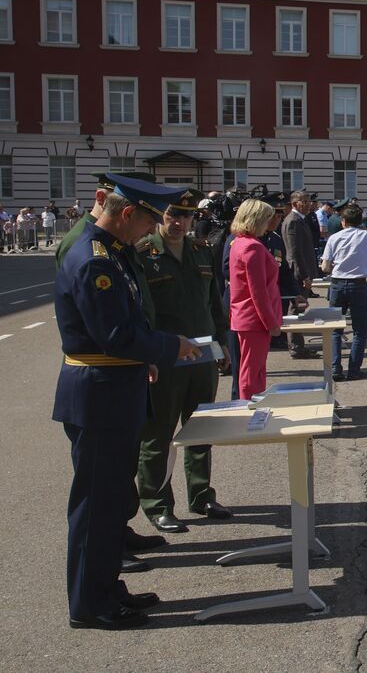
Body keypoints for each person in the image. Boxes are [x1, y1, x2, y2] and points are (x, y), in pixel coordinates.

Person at [52, 174, 201, 630]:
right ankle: (90, 604)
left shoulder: (112, 253)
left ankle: (106, 588)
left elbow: (125, 322)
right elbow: (114, 334)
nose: (147, 233)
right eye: (146, 222)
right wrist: (166, 347)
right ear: (127, 213)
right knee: (97, 506)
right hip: (100, 393)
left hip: (116, 386)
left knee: (112, 500)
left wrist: (143, 359)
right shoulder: (94, 260)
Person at [135, 190, 233, 533]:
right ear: (162, 215)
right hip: (165, 358)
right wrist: (147, 356)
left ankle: (202, 494)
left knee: (201, 429)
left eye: (186, 216)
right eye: (173, 215)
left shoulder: (200, 251)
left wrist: (222, 345)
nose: (179, 223)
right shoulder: (144, 254)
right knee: (158, 435)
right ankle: (158, 504)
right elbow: (140, 312)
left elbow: (213, 304)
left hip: (203, 355)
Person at [228, 199, 284, 400]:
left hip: (247, 317)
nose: (270, 223)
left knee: (253, 370)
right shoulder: (253, 247)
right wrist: (271, 323)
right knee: (252, 373)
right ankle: (249, 412)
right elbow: (258, 292)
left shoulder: (240, 242)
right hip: (255, 320)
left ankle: (253, 409)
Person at [321, 203, 367, 381]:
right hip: (359, 285)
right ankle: (354, 369)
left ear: (343, 221)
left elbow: (325, 267)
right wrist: (364, 265)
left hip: (338, 285)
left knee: (335, 330)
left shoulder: (334, 238)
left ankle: (335, 368)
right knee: (359, 330)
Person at [281, 190, 320, 360]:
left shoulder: (298, 220)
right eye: (305, 201)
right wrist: (305, 275)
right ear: (296, 204)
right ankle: (296, 346)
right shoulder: (293, 221)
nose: (308, 205)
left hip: (301, 271)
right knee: (297, 307)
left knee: (300, 307)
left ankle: (298, 344)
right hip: (297, 272)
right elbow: (295, 252)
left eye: (308, 201)